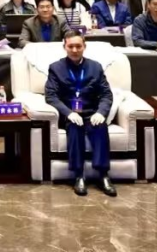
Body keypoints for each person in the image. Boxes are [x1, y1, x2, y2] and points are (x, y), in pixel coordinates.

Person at [42, 31, 117, 197]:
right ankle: (79, 175)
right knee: (75, 128)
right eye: (71, 46)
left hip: (91, 112)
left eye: (78, 46)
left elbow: (106, 94)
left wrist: (101, 112)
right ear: (64, 47)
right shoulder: (56, 68)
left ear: (84, 46)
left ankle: (103, 175)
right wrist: (68, 113)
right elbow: (51, 96)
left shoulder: (95, 67)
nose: (75, 50)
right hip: (70, 114)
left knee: (100, 127)